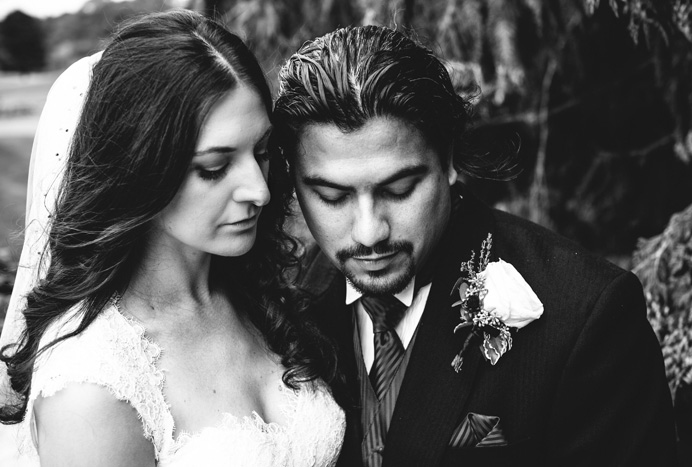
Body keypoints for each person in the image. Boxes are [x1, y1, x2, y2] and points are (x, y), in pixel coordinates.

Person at [273, 25, 677, 466]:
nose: (370, 233)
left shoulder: (587, 316)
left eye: (400, 189)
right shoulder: (283, 303)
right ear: (293, 181)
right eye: (333, 197)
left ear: (448, 160)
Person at [0, 10, 345, 466]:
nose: (259, 189)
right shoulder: (93, 383)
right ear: (141, 169)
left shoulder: (257, 291)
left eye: (261, 152)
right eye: (214, 169)